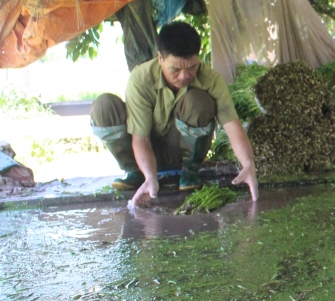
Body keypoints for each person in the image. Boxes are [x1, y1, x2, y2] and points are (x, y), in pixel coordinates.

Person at [90, 21, 259, 207]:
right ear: (160, 58)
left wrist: (248, 164)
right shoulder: (140, 79)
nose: (184, 76)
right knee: (103, 106)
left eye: (191, 67)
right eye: (175, 69)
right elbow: (141, 140)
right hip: (144, 152)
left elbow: (232, 126)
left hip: (181, 152)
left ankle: (189, 171)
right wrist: (150, 177)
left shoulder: (211, 79)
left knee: (199, 102)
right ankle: (138, 173)